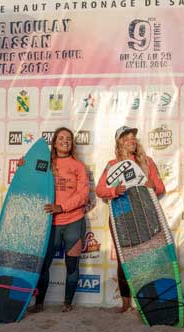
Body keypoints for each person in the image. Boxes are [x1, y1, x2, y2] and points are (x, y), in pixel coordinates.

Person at [95, 126, 166, 313]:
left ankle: (149, 300)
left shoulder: (147, 162)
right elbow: (99, 190)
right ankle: (125, 303)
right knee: (123, 259)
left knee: (147, 257)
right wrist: (113, 191)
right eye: (126, 138)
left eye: (133, 137)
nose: (131, 141)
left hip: (143, 214)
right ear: (119, 143)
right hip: (121, 216)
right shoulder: (112, 165)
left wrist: (152, 186)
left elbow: (160, 187)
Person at [28, 127, 90, 313]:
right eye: (61, 138)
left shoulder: (78, 166)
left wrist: (62, 207)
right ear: (54, 142)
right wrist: (24, 165)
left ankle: (67, 303)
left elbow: (84, 195)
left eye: (69, 139)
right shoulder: (45, 163)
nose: (65, 141)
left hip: (74, 221)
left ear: (72, 144)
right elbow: (30, 178)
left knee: (72, 265)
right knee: (43, 264)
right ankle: (39, 303)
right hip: (50, 224)